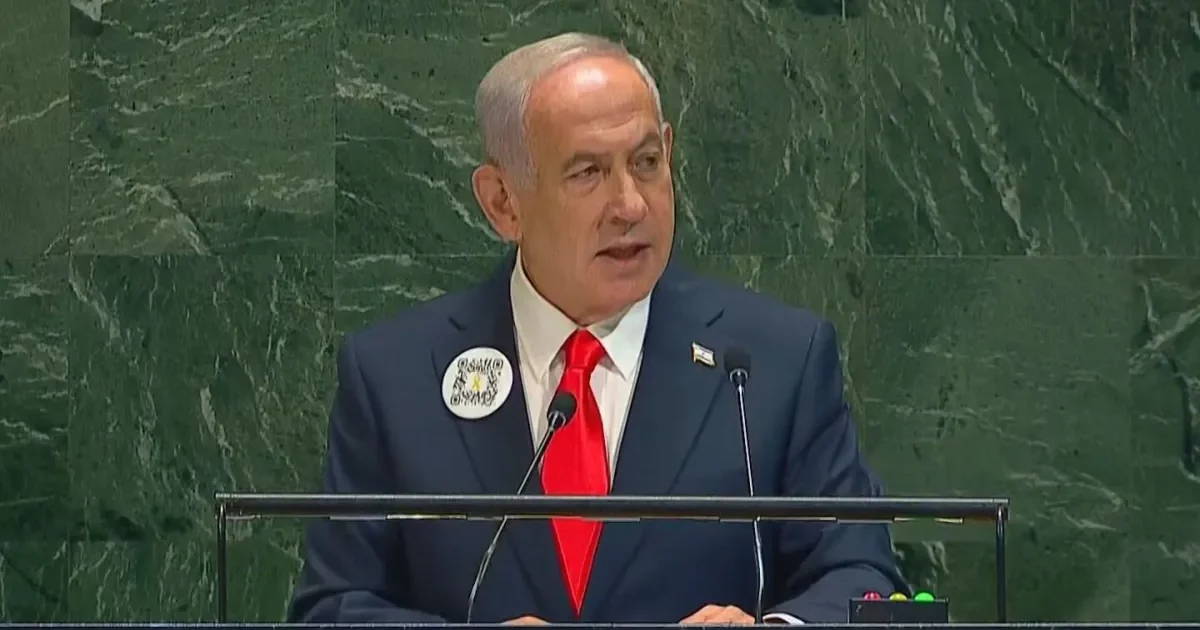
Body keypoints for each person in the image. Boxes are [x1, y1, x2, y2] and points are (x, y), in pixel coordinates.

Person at [289, 32, 906, 625]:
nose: (631, 205)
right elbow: (333, 607)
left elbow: (865, 578)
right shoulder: (397, 377)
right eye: (587, 172)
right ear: (503, 202)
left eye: (646, 162)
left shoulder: (775, 362)